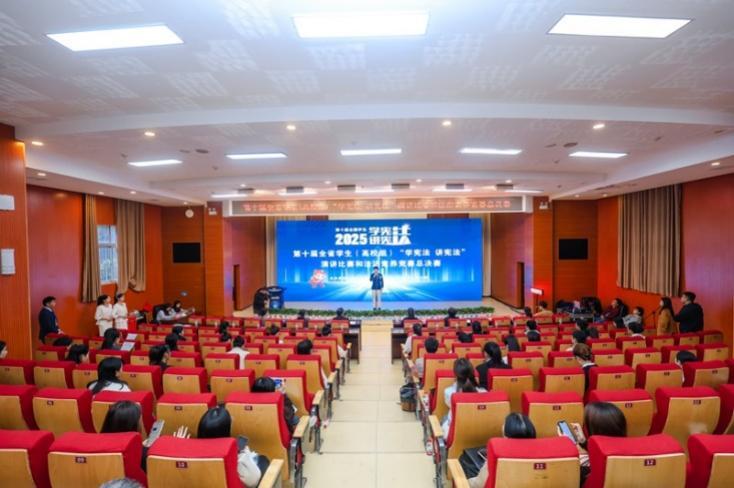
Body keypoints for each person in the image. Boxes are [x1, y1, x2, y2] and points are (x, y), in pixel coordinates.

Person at [192, 407, 268, 487]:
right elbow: (253, 481)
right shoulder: (230, 455)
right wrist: (244, 453)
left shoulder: (190, 454)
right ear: (224, 430)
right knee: (263, 460)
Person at [467, 413, 536, 487]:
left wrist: (464, 481)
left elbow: (479, 484)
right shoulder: (540, 454)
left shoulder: (497, 452)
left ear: (506, 433)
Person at [575, 402, 627, 484]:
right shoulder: (629, 458)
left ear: (592, 431)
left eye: (585, 425)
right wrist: (585, 443)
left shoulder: (584, 471)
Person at [441, 358, 487, 436]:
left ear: (455, 375)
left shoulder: (448, 392)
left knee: (444, 419)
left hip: (456, 433)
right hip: (479, 432)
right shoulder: (484, 392)